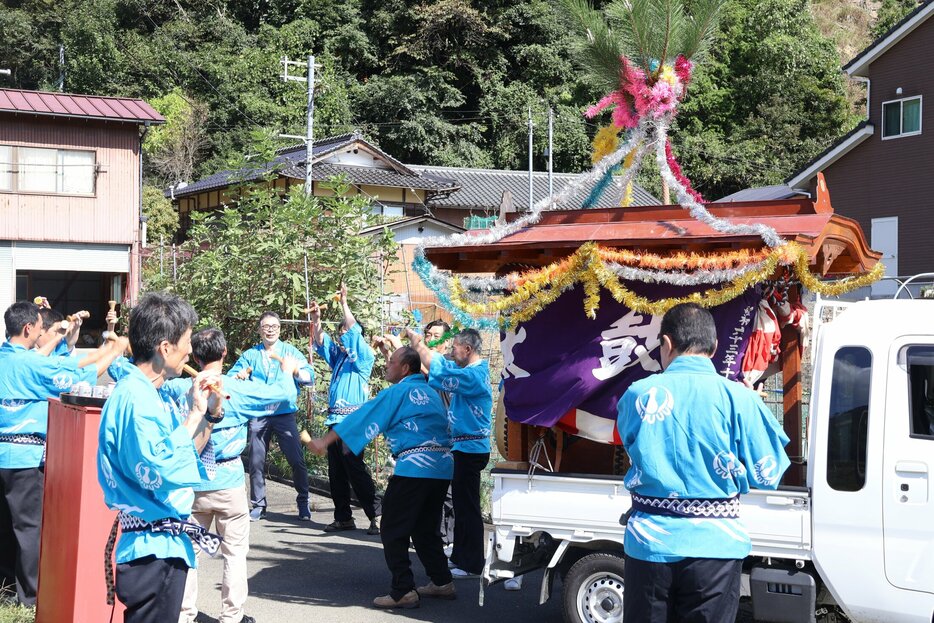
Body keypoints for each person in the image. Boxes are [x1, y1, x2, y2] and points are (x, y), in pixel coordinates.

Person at [616, 302, 791, 622]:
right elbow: (767, 474)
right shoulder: (740, 398)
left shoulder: (637, 393)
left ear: (666, 344)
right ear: (714, 346)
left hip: (650, 543)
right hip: (717, 546)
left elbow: (629, 441)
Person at [97, 292, 226, 623]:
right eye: (185, 342)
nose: (190, 352)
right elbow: (160, 468)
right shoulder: (136, 398)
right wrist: (195, 415)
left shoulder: (148, 394)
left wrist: (208, 416)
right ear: (165, 348)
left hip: (160, 546)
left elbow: (182, 458)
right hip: (151, 549)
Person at [161, 328, 301, 623]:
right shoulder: (238, 389)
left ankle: (184, 615)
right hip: (228, 479)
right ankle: (231, 617)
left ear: (195, 356)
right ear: (225, 353)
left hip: (193, 479)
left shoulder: (182, 388)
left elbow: (151, 382)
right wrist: (286, 371)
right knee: (234, 554)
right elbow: (285, 396)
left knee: (190, 552)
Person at [304, 346, 455, 609]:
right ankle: (442, 581)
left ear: (405, 368)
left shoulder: (399, 392)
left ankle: (403, 590)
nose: (386, 364)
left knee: (392, 527)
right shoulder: (431, 391)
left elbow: (365, 414)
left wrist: (325, 440)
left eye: (391, 361)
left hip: (415, 467)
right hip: (442, 468)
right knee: (424, 527)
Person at [0, 301, 121, 606]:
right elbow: (82, 377)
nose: (42, 334)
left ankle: (5, 590)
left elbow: (45, 358)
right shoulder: (32, 366)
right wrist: (116, 349)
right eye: (41, 330)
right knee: (29, 530)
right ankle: (29, 599)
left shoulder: (7, 358)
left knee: (4, 527)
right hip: (24, 460)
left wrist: (60, 336)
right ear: (29, 329)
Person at [408, 327, 492, 579]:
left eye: (455, 346)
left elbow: (440, 370)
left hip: (471, 448)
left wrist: (418, 343)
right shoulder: (468, 371)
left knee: (468, 508)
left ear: (467, 349)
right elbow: (440, 366)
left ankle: (472, 563)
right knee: (462, 505)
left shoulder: (474, 376)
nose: (452, 350)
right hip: (464, 447)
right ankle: (461, 557)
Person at [227, 311, 314, 521]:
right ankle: (258, 505)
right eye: (266, 326)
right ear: (260, 329)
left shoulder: (289, 352)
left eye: (274, 326)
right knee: (256, 460)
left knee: (296, 459)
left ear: (280, 329)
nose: (270, 330)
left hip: (283, 413)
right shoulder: (251, 355)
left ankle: (303, 502)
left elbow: (309, 376)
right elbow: (232, 377)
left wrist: (294, 371)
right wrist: (239, 376)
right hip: (259, 414)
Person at [309, 284, 381, 534]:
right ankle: (344, 517)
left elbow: (352, 328)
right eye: (340, 335)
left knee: (354, 467)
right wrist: (316, 319)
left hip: (354, 421)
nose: (342, 338)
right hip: (335, 419)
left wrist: (343, 303)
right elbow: (320, 340)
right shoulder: (339, 359)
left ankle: (377, 514)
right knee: (336, 471)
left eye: (346, 334)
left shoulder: (363, 359)